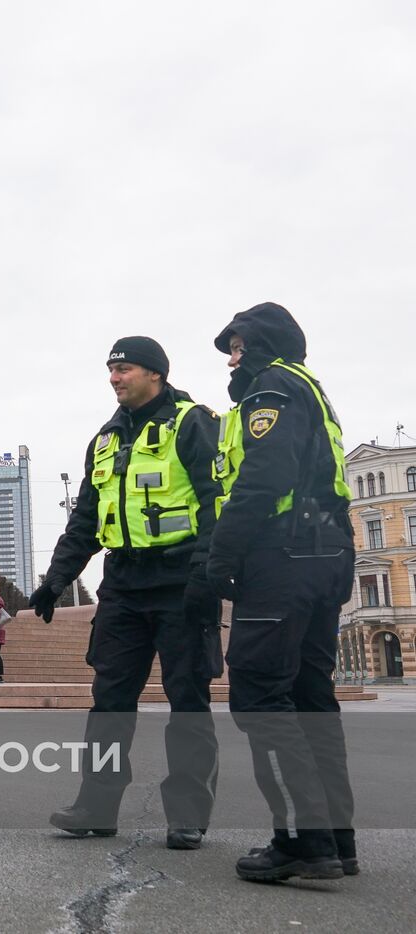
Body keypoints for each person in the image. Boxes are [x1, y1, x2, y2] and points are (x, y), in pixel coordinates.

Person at [28, 337, 222, 850]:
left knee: (188, 699)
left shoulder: (192, 422)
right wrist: (55, 578)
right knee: (109, 701)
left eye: (125, 368)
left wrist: (208, 575)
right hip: (124, 588)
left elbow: (215, 502)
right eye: (111, 369)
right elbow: (86, 518)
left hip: (181, 581)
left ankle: (187, 815)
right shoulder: (106, 439)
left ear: (155, 373)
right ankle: (96, 806)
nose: (115, 377)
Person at [206, 302, 357, 882]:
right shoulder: (310, 389)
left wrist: (219, 561)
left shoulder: (270, 388)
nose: (232, 360)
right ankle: (336, 842)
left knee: (261, 697)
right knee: (312, 699)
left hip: (283, 556)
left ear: (265, 344)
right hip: (324, 556)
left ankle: (300, 841)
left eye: (238, 347)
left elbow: (263, 478)